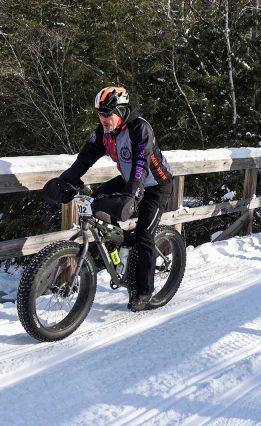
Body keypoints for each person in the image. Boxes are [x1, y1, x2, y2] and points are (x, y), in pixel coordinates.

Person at [43, 86, 174, 312]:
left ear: (121, 111)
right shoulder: (104, 132)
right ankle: (118, 241)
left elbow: (140, 166)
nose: (102, 118)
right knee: (97, 202)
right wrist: (65, 181)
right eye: (99, 114)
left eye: (107, 113)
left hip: (155, 185)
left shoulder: (140, 128)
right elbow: (83, 161)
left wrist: (132, 195)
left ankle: (144, 292)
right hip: (128, 179)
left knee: (144, 236)